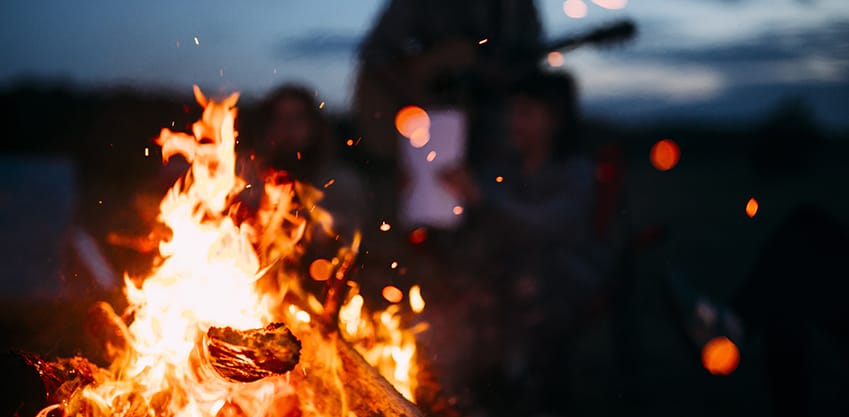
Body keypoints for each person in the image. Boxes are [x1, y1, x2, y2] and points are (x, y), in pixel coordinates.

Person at [440, 71, 614, 416]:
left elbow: (545, 226)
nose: (514, 122)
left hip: (561, 280)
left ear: (555, 119)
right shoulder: (502, 170)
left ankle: (525, 392)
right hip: (506, 278)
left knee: (526, 291)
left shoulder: (575, 172)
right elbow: (475, 223)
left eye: (526, 112)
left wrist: (481, 199)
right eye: (512, 112)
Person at [251, 84, 367, 243]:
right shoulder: (245, 182)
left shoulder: (341, 184)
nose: (288, 127)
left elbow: (349, 239)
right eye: (280, 118)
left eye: (297, 118)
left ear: (314, 126)